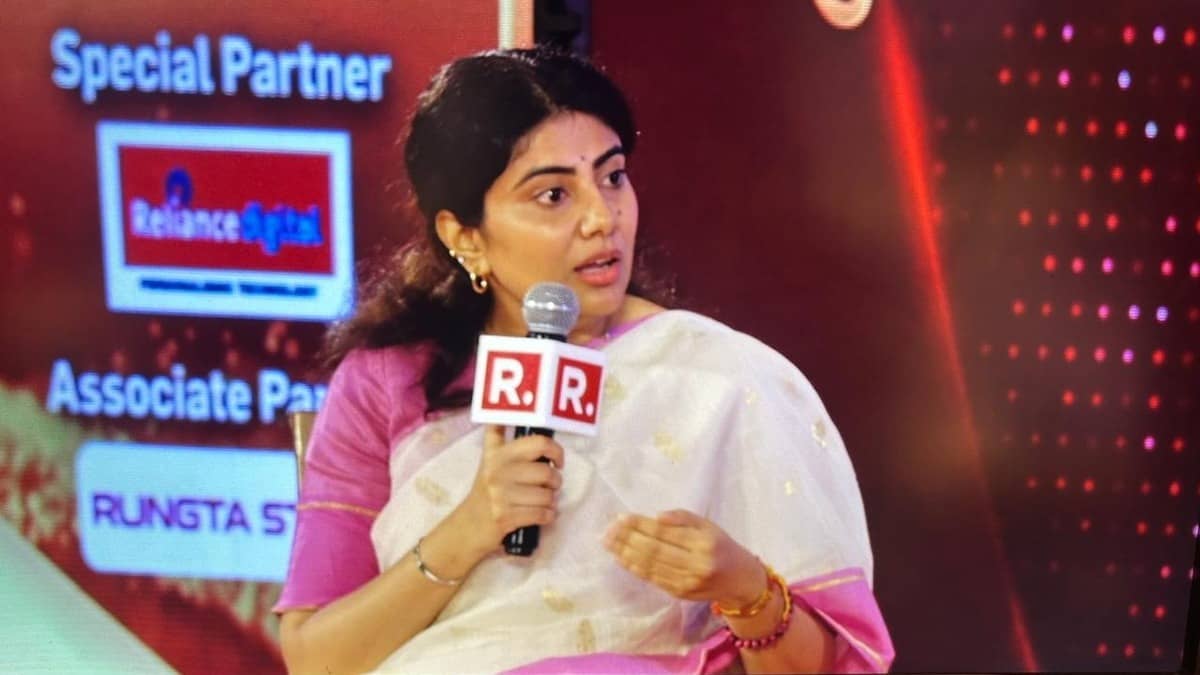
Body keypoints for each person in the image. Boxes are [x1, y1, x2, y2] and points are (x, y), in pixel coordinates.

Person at [274, 46, 893, 674]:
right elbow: (317, 661)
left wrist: (745, 589)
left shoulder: (718, 378)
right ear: (465, 237)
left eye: (613, 177)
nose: (602, 218)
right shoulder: (389, 380)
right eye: (553, 195)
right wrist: (469, 528)